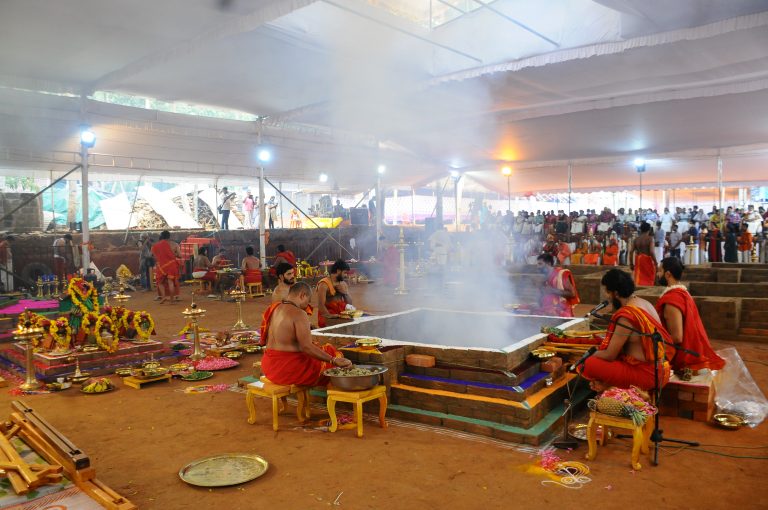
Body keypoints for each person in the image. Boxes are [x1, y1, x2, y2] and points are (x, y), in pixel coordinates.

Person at [578, 268, 672, 392]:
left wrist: (586, 355)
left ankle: (610, 385)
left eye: (608, 293)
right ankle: (608, 385)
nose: (608, 298)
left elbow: (610, 355)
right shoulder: (645, 303)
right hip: (661, 369)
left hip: (646, 374)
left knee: (585, 365)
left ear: (616, 294)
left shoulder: (627, 315)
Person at [260, 282, 351, 386]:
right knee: (331, 355)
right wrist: (333, 360)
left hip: (268, 367)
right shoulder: (299, 313)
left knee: (321, 350)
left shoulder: (274, 308)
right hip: (286, 371)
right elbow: (306, 347)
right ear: (302, 295)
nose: (307, 305)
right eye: (308, 301)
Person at [655, 257, 725, 374]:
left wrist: (654, 343)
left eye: (659, 271)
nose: (657, 274)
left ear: (667, 275)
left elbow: (677, 337)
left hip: (683, 357)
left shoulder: (672, 299)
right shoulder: (682, 293)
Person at [316, 259, 353, 328]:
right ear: (338, 271)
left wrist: (345, 293)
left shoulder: (343, 283)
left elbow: (350, 304)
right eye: (345, 273)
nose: (346, 275)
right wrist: (330, 316)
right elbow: (321, 305)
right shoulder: (324, 284)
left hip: (341, 315)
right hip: (328, 316)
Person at [151, 230, 181, 303]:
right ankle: (172, 300)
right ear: (169, 236)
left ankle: (163, 297)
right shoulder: (174, 244)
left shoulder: (156, 245)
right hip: (172, 265)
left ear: (161, 236)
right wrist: (174, 255)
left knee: (160, 283)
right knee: (171, 282)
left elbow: (154, 256)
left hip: (161, 266)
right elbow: (179, 256)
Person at [629, 222, 657, 286]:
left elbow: (631, 251)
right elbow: (652, 252)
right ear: (649, 229)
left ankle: (639, 290)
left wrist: (631, 263)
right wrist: (655, 262)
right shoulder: (650, 238)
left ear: (641, 229)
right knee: (648, 278)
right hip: (648, 260)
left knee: (639, 277)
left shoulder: (636, 239)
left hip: (639, 260)